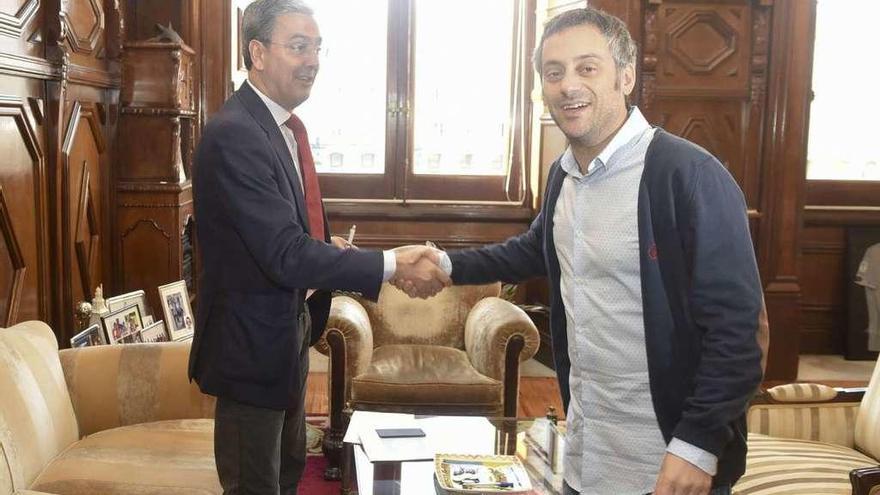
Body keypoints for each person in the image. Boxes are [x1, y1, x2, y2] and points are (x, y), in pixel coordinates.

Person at [420, 8, 765, 495]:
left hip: (668, 463)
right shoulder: (563, 174)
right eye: (553, 72)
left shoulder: (687, 177)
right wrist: (445, 265)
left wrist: (697, 445)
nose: (567, 85)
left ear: (626, 76)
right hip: (585, 453)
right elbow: (536, 250)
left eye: (587, 67)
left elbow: (738, 333)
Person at [188, 1, 447, 493]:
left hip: (286, 333)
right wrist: (392, 264)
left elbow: (276, 237)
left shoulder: (278, 127)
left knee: (287, 477)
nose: (312, 60)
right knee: (254, 485)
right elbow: (284, 254)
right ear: (257, 53)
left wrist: (326, 248)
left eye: (318, 47)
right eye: (298, 46)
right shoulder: (236, 134)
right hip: (251, 348)